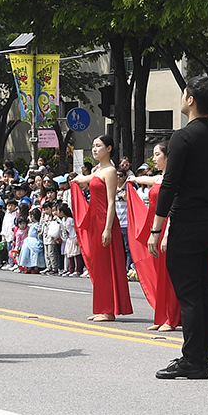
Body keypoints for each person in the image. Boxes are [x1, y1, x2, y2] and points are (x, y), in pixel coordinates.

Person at [147, 77, 208, 379]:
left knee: (190, 294)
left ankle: (192, 359)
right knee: (205, 290)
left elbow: (170, 183)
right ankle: (201, 358)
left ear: (191, 100)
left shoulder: (183, 136)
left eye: (184, 94)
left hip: (189, 222)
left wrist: (157, 228)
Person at [70, 134, 133, 323]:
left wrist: (107, 229)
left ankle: (108, 310)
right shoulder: (98, 169)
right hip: (96, 221)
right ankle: (101, 307)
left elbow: (112, 202)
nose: (94, 149)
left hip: (106, 221)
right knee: (98, 266)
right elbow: (82, 180)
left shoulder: (110, 171)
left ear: (109, 148)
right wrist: (73, 181)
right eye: (93, 146)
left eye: (98, 146)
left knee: (107, 266)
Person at [126, 142, 181, 331]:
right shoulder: (160, 178)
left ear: (168, 157)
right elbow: (149, 181)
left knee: (169, 274)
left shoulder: (173, 180)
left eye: (158, 154)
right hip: (156, 229)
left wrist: (166, 235)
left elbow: (173, 210)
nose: (154, 157)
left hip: (166, 228)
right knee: (160, 274)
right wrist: (131, 179)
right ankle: (162, 316)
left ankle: (171, 319)